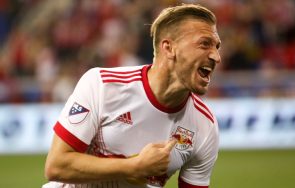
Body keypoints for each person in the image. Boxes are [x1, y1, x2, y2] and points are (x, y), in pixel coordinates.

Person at [43, 3, 221, 188]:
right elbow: (57, 166)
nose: (216, 56)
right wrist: (133, 166)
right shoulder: (103, 85)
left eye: (217, 46)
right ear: (168, 48)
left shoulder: (205, 125)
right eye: (204, 44)